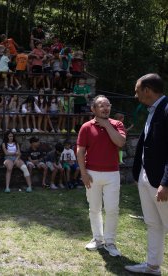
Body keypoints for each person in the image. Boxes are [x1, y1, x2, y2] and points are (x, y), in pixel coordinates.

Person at [125, 73, 168, 275]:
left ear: (147, 90)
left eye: (137, 90)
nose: (135, 94)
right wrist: (137, 174)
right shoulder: (152, 110)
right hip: (146, 177)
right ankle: (152, 266)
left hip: (161, 182)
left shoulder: (167, 110)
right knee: (152, 223)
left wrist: (166, 183)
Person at [76, 95, 126, 257]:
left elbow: (120, 142)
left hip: (112, 174)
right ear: (93, 109)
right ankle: (97, 239)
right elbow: (80, 151)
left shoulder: (117, 124)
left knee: (112, 209)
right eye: (101, 106)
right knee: (94, 208)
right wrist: (83, 173)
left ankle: (110, 241)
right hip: (91, 174)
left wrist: (106, 124)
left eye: (108, 105)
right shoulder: (86, 127)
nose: (105, 108)